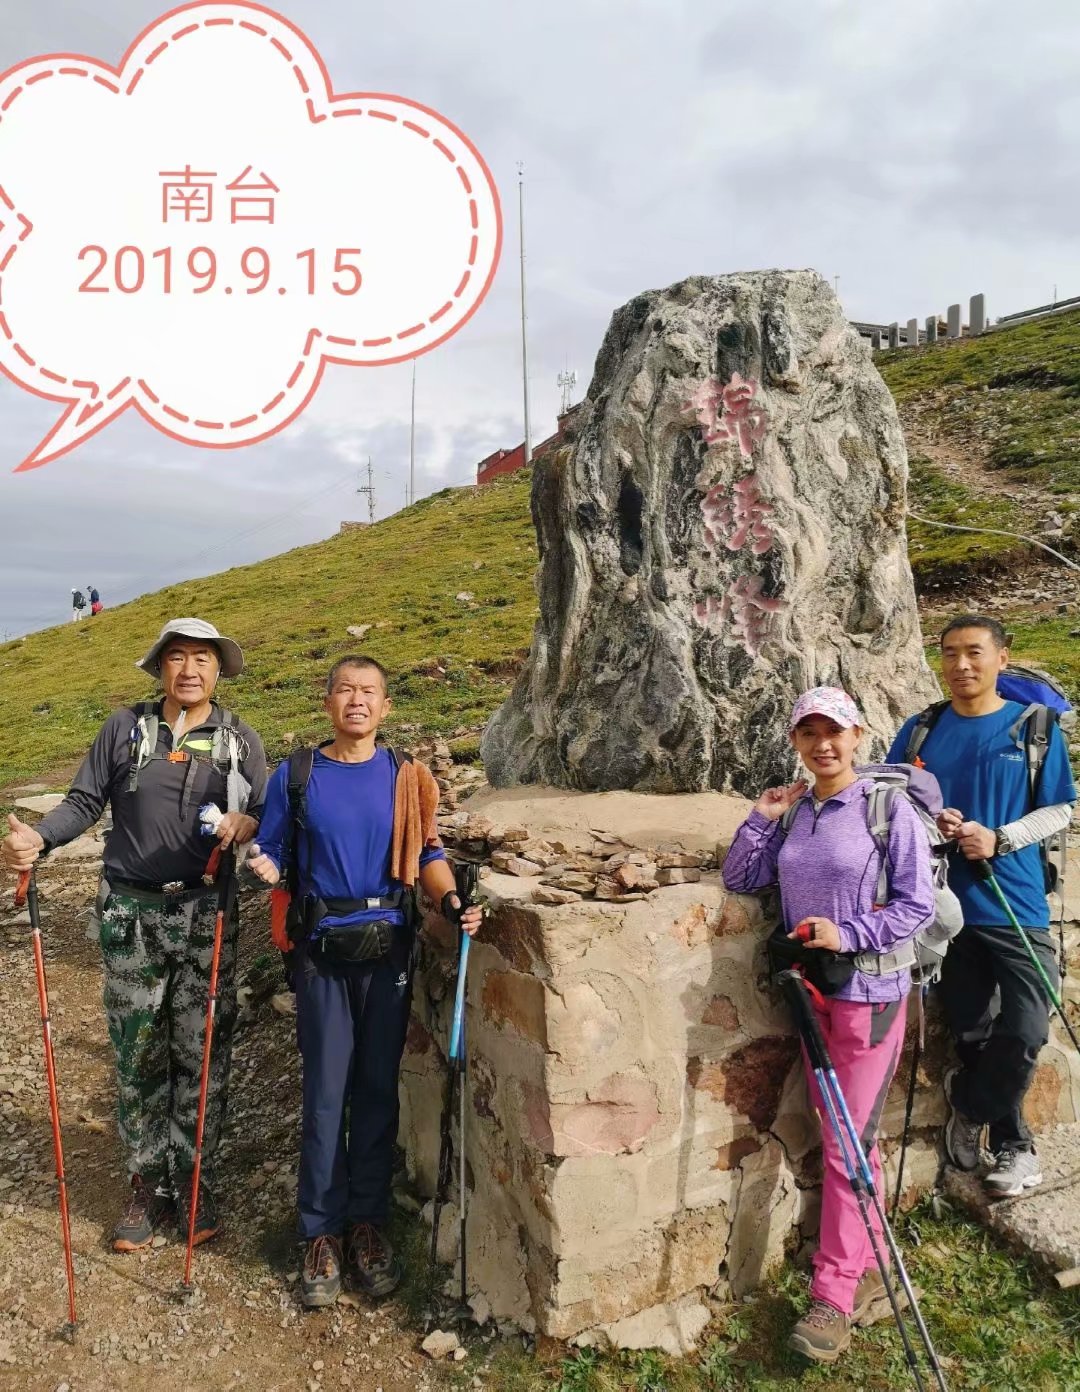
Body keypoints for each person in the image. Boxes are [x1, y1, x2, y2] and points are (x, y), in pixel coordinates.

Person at [1, 618, 267, 1251]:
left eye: (202, 658)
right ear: (160, 668)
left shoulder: (240, 740)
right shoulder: (125, 729)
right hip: (130, 913)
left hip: (209, 912)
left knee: (202, 1051)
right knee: (138, 1048)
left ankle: (197, 1176)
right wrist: (42, 837)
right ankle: (148, 1181)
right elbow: (84, 801)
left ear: (218, 669)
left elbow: (265, 812)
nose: (190, 670)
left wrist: (248, 823)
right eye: (177, 657)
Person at [246, 655, 482, 1309]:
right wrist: (261, 865)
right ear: (328, 703)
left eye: (369, 692)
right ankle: (319, 1231)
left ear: (384, 707)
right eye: (346, 690)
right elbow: (273, 852)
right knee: (326, 1091)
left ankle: (367, 1225)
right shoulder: (295, 776)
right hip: (321, 952)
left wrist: (453, 903)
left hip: (390, 950)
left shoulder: (406, 776)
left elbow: (429, 852)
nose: (357, 700)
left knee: (377, 1086)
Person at [723, 686, 934, 1365]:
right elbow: (740, 874)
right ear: (794, 742)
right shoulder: (797, 813)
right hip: (810, 992)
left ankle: (834, 1297)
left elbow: (915, 906)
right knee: (842, 1131)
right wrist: (761, 817)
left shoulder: (885, 810)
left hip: (868, 995)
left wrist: (848, 932)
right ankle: (854, 1251)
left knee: (846, 1140)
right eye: (809, 732)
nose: (823, 744)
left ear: (858, 734)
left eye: (834, 731)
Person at [888, 616, 1076, 1197]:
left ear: (1002, 656)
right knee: (973, 1031)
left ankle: (969, 1106)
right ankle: (1016, 1149)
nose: (961, 665)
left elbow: (1062, 810)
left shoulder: (1035, 728)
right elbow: (887, 797)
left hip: (1015, 903)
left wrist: (1001, 837)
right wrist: (930, 821)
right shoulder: (922, 729)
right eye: (949, 654)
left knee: (1024, 1029)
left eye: (974, 653)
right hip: (940, 908)